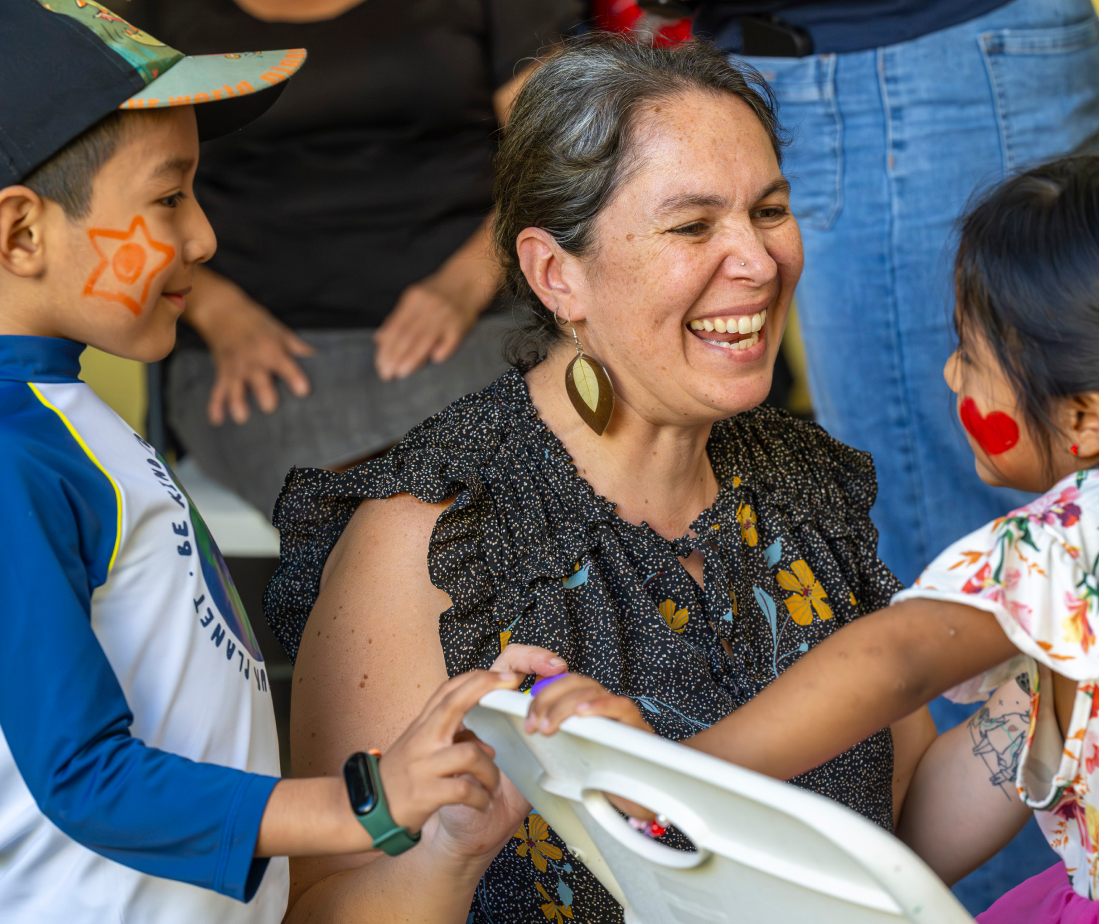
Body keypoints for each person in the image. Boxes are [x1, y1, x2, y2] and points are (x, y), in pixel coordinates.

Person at [264, 33, 938, 922]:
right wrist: (452, 854)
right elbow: (323, 911)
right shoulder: (434, 534)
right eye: (694, 226)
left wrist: (1052, 679)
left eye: (769, 210)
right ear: (557, 275)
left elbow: (907, 813)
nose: (761, 261)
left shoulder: (797, 478)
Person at [527, 154, 1099, 920]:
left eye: (971, 355)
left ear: (1084, 419)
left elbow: (897, 656)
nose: (951, 377)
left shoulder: (1068, 546)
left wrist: (679, 776)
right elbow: (974, 791)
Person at [0, 5, 533, 921]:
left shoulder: (65, 414)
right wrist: (367, 801)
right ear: (20, 235)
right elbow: (83, 775)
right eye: (170, 199)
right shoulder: (15, 455)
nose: (204, 240)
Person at [133, 0, 581, 516]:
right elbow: (114, 194)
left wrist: (467, 281)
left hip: (477, 326)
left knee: (494, 504)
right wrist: (215, 310)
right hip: (254, 353)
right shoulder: (158, 14)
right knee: (365, 521)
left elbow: (559, 153)